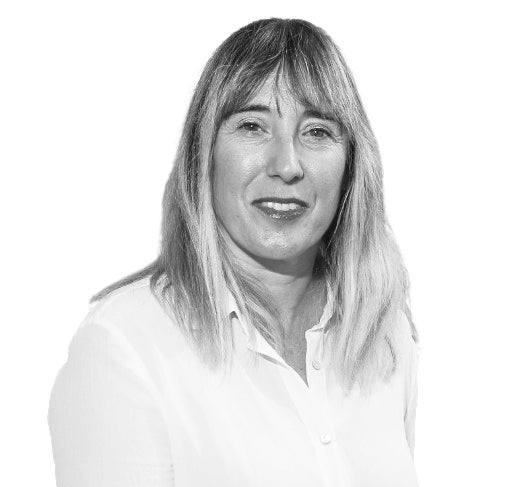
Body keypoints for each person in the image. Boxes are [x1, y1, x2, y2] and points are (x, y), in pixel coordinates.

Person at [48, 18, 420, 487]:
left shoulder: (385, 335)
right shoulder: (126, 347)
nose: (287, 165)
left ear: (352, 162)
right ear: (203, 154)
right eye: (252, 126)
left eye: (317, 131)